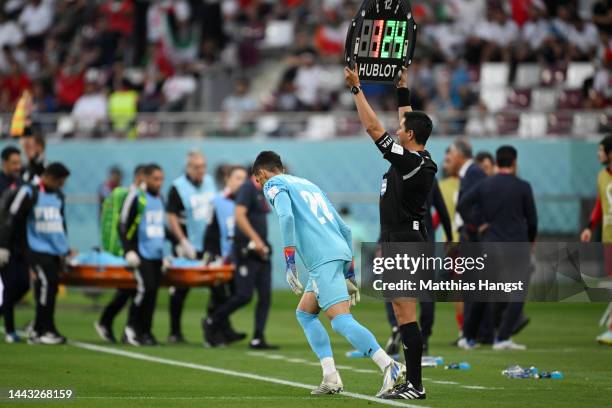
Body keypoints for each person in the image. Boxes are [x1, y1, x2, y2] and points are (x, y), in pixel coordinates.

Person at [253, 150, 405, 397]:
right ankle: (330, 377)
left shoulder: (273, 183)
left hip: (322, 259)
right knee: (305, 313)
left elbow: (286, 215)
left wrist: (289, 259)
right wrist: (350, 272)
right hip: (338, 253)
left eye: (259, 181)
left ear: (261, 174)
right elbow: (344, 227)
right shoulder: (309, 185)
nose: (261, 186)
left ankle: (389, 365)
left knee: (341, 320)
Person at [345, 65, 436, 400]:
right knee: (401, 314)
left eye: (402, 128)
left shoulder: (413, 163)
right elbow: (406, 121)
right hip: (401, 241)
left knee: (406, 315)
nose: (399, 129)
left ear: (410, 136)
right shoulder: (414, 159)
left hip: (406, 244)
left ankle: (415, 385)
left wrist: (356, 89)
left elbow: (372, 127)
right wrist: (402, 90)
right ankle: (412, 382)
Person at [457, 145, 538, 350]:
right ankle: (502, 338)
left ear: (497, 162)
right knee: (517, 294)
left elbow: (462, 205)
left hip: (490, 244)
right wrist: (529, 242)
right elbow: (533, 220)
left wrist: (476, 225)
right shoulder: (523, 186)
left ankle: (467, 337)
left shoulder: (486, 185)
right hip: (516, 245)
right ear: (514, 162)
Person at [204, 167, 276, 349]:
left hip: (260, 251)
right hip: (244, 251)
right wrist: (256, 240)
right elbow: (237, 218)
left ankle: (258, 337)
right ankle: (213, 321)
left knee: (265, 296)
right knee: (243, 295)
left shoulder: (260, 192)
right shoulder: (243, 191)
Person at [0, 162, 71, 344]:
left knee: (49, 287)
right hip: (34, 247)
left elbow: (60, 224)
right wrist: (5, 246)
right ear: (49, 177)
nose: (61, 186)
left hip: (53, 249)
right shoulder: (29, 192)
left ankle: (41, 328)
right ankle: (43, 330)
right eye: (60, 182)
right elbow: (12, 218)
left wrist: (64, 249)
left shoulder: (58, 196)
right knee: (46, 283)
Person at [166, 150, 218, 344]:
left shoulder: (210, 182)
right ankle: (175, 331)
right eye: (196, 167)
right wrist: (182, 241)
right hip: (188, 245)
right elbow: (171, 215)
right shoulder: (178, 187)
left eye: (203, 166)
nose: (201, 170)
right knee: (180, 289)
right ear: (188, 167)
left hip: (209, 245)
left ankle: (214, 328)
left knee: (217, 286)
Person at [94, 164, 146, 344]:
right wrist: (125, 249)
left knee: (130, 290)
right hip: (127, 250)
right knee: (130, 289)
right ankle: (118, 325)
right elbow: (121, 224)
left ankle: (115, 324)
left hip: (138, 250)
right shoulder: (128, 195)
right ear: (139, 176)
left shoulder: (142, 196)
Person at [119, 163, 166, 346]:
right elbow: (123, 224)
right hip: (141, 253)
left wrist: (180, 242)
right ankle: (131, 329)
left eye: (161, 179)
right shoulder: (136, 196)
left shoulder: (160, 198)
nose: (159, 183)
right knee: (144, 290)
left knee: (152, 293)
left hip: (156, 254)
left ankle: (146, 331)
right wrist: (129, 249)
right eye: (156, 179)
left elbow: (159, 227)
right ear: (145, 178)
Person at [202, 165, 248, 343]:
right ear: (227, 179)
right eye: (237, 178)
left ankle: (218, 326)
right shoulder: (217, 201)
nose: (241, 182)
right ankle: (216, 332)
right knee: (220, 294)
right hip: (222, 256)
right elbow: (210, 229)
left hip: (240, 256)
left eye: (244, 178)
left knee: (238, 294)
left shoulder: (246, 201)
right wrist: (211, 254)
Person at [580, 134, 612, 345]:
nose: (598, 154)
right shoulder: (602, 176)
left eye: (601, 150)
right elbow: (600, 204)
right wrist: (590, 227)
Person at [0, 145, 29, 343]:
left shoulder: (21, 182)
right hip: (3, 242)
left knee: (23, 285)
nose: (18, 166)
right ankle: (10, 330)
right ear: (4, 163)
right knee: (9, 286)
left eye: (19, 162)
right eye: (14, 163)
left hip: (20, 243)